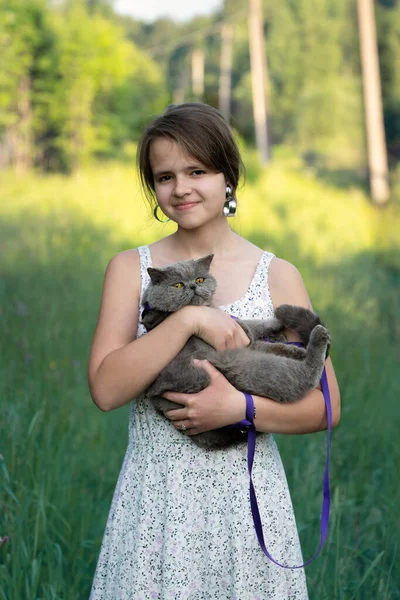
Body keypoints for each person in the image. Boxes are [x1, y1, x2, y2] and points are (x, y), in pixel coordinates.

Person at [88, 102, 340, 599]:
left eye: (197, 170)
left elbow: (326, 406)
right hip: (156, 503)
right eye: (165, 176)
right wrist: (187, 319)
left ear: (228, 176)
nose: (181, 188)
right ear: (154, 189)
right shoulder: (131, 270)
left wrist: (240, 408)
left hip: (245, 503)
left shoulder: (277, 274)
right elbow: (105, 389)